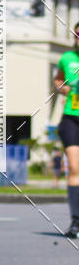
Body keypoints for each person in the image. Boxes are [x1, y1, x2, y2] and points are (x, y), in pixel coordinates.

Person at [53, 22, 79, 237]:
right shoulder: (67, 58)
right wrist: (63, 88)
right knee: (74, 169)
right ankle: (76, 221)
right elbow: (58, 79)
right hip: (71, 117)